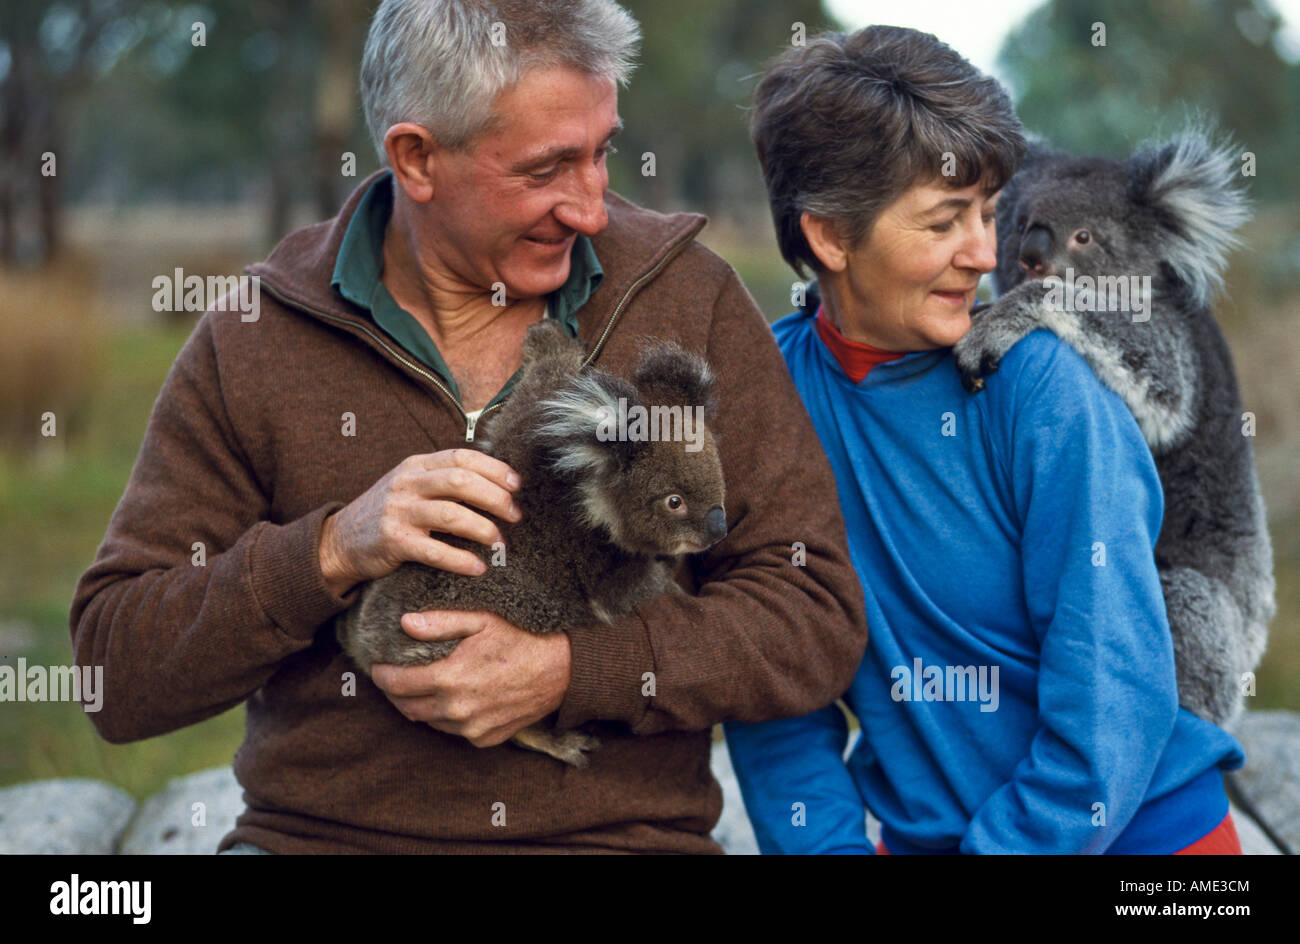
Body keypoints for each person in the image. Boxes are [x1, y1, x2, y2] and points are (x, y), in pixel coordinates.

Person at [68, 0, 867, 854]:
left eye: (601, 151)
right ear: (415, 158)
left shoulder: (688, 295)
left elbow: (812, 614)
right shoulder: (253, 334)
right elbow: (116, 674)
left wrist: (573, 670)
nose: (592, 206)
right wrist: (331, 552)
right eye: (546, 169)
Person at [723, 25, 1246, 854]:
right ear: (827, 236)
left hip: (1146, 844)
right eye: (942, 223)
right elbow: (773, 685)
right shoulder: (764, 396)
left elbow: (1111, 693)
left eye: (991, 214)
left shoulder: (1044, 389)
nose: (987, 255)